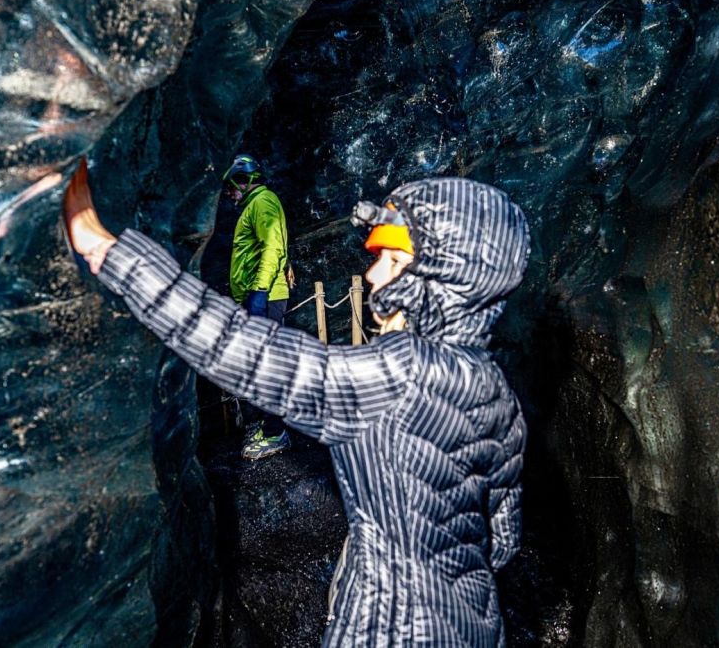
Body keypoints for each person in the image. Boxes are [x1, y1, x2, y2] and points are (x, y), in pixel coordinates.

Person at [64, 159, 529, 646]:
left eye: (390, 262)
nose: (371, 277)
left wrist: (105, 249)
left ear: (439, 280)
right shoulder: (499, 393)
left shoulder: (394, 376)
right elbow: (500, 541)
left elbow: (240, 348)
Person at [220, 154, 292, 459]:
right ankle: (269, 424)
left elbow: (272, 246)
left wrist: (260, 291)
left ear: (243, 181)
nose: (229, 195)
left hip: (264, 297)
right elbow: (275, 245)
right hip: (257, 295)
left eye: (231, 188)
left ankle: (276, 433)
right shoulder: (257, 205)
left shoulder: (262, 202)